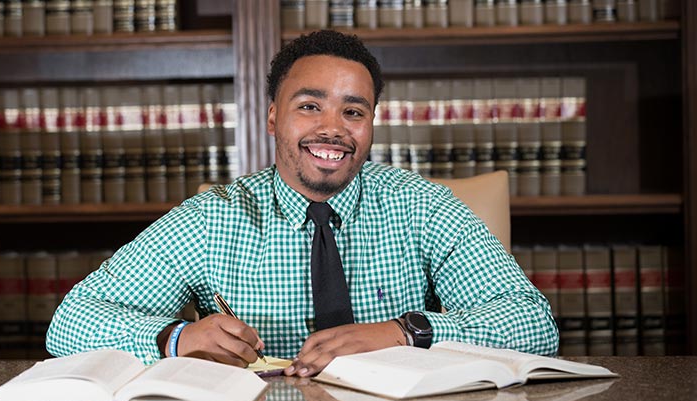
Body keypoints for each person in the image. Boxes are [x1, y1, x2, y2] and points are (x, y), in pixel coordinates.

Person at [47, 30, 558, 377]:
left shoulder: (423, 206)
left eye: (353, 111)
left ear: (372, 125)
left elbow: (533, 323)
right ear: (273, 118)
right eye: (309, 105)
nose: (333, 128)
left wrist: (405, 332)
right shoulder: (211, 218)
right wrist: (173, 340)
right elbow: (71, 321)